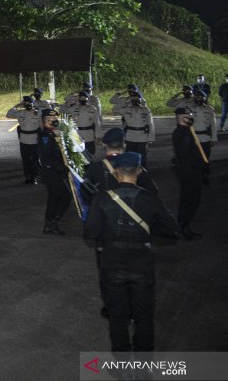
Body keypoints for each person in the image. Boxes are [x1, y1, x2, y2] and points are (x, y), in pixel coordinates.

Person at [86, 152, 180, 352]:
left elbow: (90, 232)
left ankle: (121, 362)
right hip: (141, 263)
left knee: (117, 317)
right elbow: (172, 229)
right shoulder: (149, 198)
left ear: (116, 173)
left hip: (112, 263)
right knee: (144, 316)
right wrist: (147, 236)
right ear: (138, 171)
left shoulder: (102, 199)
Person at [81, 128, 159, 319]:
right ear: (124, 145)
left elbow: (85, 196)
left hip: (107, 237)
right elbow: (153, 194)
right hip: (137, 233)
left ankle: (112, 308)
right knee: (137, 275)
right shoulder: (135, 167)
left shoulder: (94, 169)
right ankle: (134, 311)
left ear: (103, 145)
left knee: (108, 276)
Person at [172, 107, 206, 239]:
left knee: (191, 198)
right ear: (181, 117)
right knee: (190, 200)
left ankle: (184, 225)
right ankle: (183, 227)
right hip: (189, 170)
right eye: (189, 115)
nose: (191, 117)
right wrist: (198, 165)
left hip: (190, 169)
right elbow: (187, 155)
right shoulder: (182, 133)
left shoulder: (187, 131)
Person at [38, 109, 72, 235]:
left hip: (54, 171)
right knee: (65, 196)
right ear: (44, 121)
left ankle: (49, 224)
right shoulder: (46, 136)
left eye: (54, 119)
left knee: (54, 197)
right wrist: (62, 168)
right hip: (50, 172)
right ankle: (52, 222)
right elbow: (47, 157)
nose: (53, 121)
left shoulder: (54, 133)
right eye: (50, 119)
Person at [111, 91, 155, 166]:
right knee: (130, 156)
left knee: (142, 157)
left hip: (142, 136)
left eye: (137, 99)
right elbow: (114, 110)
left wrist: (151, 138)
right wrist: (125, 101)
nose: (135, 101)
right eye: (133, 99)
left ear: (141, 100)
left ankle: (142, 172)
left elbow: (150, 124)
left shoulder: (146, 110)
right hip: (130, 136)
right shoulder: (127, 109)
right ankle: (130, 172)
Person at [6, 96, 41, 184]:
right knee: (25, 159)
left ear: (33, 104)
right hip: (24, 140)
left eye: (29, 103)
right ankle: (28, 176)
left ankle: (35, 176)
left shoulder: (38, 113)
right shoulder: (20, 113)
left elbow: (42, 126)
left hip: (34, 139)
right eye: (25, 103)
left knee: (35, 159)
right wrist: (17, 106)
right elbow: (8, 114)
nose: (27, 105)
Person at [61, 91, 102, 156]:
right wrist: (69, 99)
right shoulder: (74, 108)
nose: (83, 99)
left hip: (89, 135)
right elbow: (62, 110)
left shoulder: (92, 109)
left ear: (87, 99)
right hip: (77, 134)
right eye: (81, 98)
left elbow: (97, 123)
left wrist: (98, 136)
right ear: (78, 99)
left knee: (90, 153)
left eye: (84, 98)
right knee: (79, 155)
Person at [190, 90, 217, 185]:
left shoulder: (209, 109)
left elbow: (213, 125)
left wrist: (213, 138)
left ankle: (205, 175)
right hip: (194, 138)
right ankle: (195, 176)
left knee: (205, 158)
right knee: (194, 158)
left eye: (202, 97)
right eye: (197, 97)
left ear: (205, 99)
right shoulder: (190, 108)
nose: (199, 99)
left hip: (205, 138)